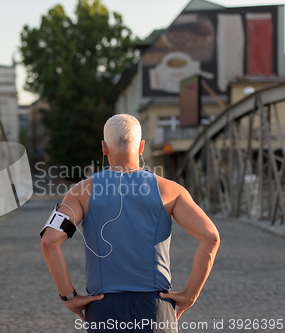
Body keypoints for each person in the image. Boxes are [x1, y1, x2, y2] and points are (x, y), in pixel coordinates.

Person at [40, 114, 220, 332]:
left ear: (104, 148)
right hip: (156, 310)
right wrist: (189, 295)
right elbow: (210, 237)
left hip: (104, 309)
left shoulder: (80, 193)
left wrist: (69, 296)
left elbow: (50, 241)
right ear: (141, 146)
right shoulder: (171, 191)